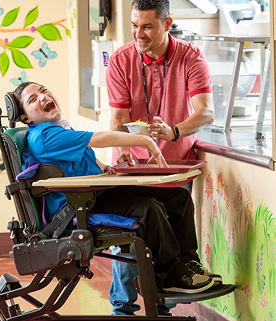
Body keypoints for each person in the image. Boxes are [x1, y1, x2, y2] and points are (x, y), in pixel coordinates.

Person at [11, 81, 216, 296]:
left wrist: (102, 167)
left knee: (177, 197)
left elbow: (75, 157)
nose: (43, 97)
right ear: (26, 118)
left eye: (44, 90)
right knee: (149, 208)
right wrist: (144, 141)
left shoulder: (58, 128)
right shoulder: (45, 136)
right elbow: (98, 138)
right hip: (79, 207)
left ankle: (188, 265)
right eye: (32, 99)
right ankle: (171, 276)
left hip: (93, 195)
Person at [106, 0, 219, 316]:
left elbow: (205, 112)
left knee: (170, 237)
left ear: (167, 24)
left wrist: (174, 131)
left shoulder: (190, 57)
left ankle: (163, 309)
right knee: (130, 241)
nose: (137, 34)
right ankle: (122, 309)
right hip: (133, 169)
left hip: (174, 167)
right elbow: (118, 117)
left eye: (146, 26)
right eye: (133, 25)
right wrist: (125, 146)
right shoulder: (121, 59)